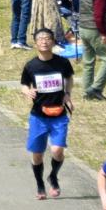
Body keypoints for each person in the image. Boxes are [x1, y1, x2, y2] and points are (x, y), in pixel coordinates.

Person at [21, 26, 76, 200]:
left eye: (47, 38)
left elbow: (69, 78)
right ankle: (40, 184)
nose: (44, 41)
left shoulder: (62, 62)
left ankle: (53, 176)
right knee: (37, 155)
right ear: (36, 43)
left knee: (57, 150)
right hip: (38, 116)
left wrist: (67, 95)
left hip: (59, 115)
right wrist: (27, 91)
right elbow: (23, 84)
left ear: (53, 42)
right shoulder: (31, 66)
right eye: (40, 39)